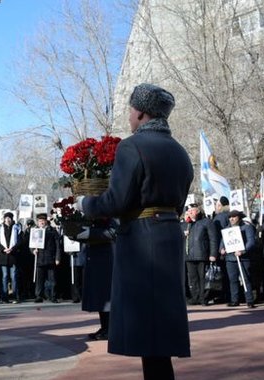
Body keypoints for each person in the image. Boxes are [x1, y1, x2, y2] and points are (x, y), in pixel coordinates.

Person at [77, 83, 193, 379]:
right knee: (160, 326)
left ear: (141, 112)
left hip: (142, 238)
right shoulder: (179, 151)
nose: (129, 115)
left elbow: (116, 200)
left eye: (130, 109)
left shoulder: (132, 146)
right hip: (169, 233)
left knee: (147, 327)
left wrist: (85, 203)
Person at [74, 218, 117, 340]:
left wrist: (86, 233)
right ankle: (105, 327)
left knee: (107, 294)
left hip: (109, 257)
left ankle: (110, 329)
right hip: (95, 257)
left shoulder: (111, 209)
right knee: (100, 296)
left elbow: (113, 231)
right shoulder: (96, 211)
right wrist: (74, 233)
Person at [184, 203, 219, 306]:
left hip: (202, 254)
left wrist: (213, 254)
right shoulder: (187, 224)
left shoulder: (206, 222)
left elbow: (213, 239)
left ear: (198, 211)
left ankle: (204, 298)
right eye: (189, 211)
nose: (190, 212)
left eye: (192, 211)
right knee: (193, 278)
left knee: (203, 278)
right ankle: (195, 297)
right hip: (189, 256)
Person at [221, 210, 256, 307]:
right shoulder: (227, 229)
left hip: (243, 258)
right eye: (230, 217)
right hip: (230, 258)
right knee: (233, 280)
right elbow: (223, 241)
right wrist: (222, 249)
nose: (231, 219)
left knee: (246, 279)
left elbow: (251, 242)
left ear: (239, 217)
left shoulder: (247, 227)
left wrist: (242, 251)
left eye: (234, 217)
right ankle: (234, 300)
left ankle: (249, 300)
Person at [31, 214, 60, 303]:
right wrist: (33, 251)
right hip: (40, 259)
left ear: (46, 221)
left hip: (50, 258)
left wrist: (58, 258)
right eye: (39, 221)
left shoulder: (52, 231)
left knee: (52, 280)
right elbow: (31, 245)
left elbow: (58, 245)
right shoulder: (35, 231)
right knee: (39, 280)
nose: (41, 222)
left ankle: (53, 296)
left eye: (43, 220)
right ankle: (39, 296)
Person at [0, 212, 22, 303]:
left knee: (14, 276)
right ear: (4, 219)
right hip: (3, 256)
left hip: (13, 256)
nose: (8, 219)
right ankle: (4, 296)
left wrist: (12, 249)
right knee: (4, 277)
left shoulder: (17, 228)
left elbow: (20, 242)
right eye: (6, 218)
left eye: (10, 218)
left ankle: (15, 296)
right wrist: (3, 249)